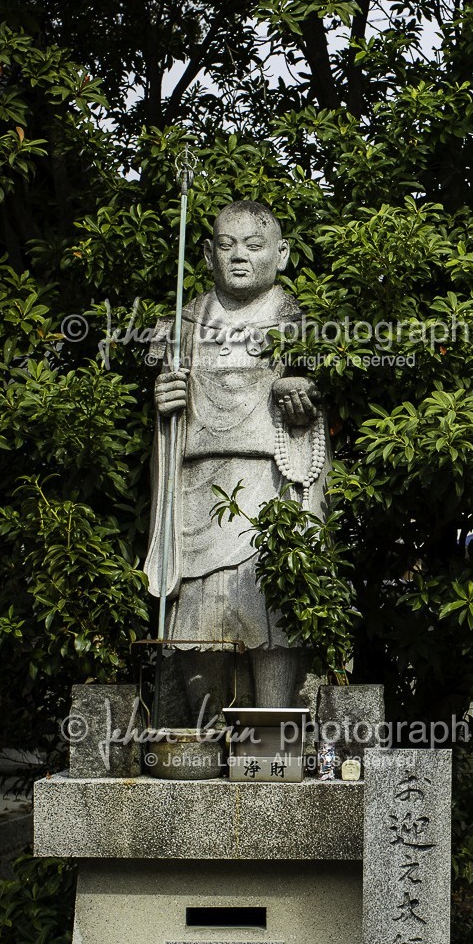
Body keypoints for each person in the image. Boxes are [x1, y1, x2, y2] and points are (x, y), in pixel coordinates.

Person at [144, 200, 327, 718]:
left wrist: (301, 399)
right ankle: (200, 735)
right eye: (227, 246)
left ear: (282, 254)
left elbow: (314, 411)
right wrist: (167, 403)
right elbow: (166, 412)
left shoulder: (297, 325)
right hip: (197, 482)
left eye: (254, 245)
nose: (239, 257)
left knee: (275, 606)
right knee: (199, 617)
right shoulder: (183, 324)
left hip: (270, 482)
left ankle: (274, 729)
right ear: (206, 254)